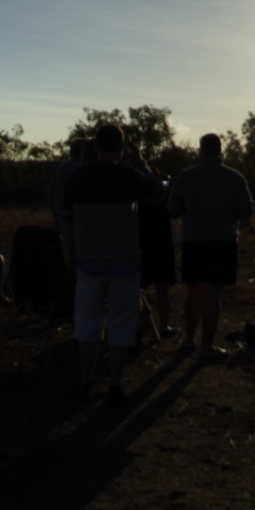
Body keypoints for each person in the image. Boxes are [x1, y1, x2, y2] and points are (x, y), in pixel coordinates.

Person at [61, 123, 161, 404]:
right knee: (121, 326)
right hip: (125, 264)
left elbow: (65, 218)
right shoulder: (129, 177)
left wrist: (70, 253)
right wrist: (139, 162)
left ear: (95, 146)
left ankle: (86, 382)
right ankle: (114, 385)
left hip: (88, 263)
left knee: (87, 325)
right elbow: (157, 193)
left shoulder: (78, 177)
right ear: (122, 147)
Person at [168, 132, 253, 361]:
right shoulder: (234, 177)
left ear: (201, 150)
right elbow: (246, 209)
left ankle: (189, 339)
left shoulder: (186, 176)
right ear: (220, 150)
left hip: (194, 242)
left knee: (193, 292)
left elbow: (172, 209)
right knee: (213, 295)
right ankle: (207, 345)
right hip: (223, 242)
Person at [138, 166, 177, 339]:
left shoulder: (138, 201)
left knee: (139, 289)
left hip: (142, 245)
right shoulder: (163, 200)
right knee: (162, 289)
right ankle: (163, 326)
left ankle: (137, 327)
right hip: (161, 245)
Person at [47, 137, 87, 272]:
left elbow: (51, 194)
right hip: (77, 219)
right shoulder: (81, 169)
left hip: (62, 218)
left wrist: (55, 216)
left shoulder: (61, 168)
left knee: (68, 255)